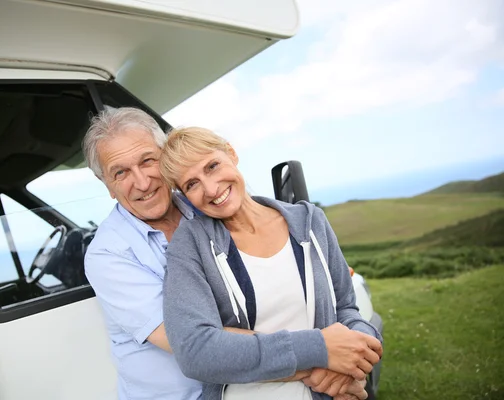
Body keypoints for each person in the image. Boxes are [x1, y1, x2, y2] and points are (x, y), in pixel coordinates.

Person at [159, 127, 384, 400]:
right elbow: (195, 351)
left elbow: (346, 308)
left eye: (212, 166)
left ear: (231, 153)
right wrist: (320, 351)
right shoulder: (190, 244)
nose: (210, 188)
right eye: (191, 184)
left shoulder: (310, 221)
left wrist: (354, 357)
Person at [82, 107, 202, 400]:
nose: (142, 182)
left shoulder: (202, 204)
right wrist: (306, 359)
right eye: (120, 172)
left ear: (167, 158)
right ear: (107, 186)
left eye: (148, 160)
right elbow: (189, 340)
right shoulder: (107, 254)